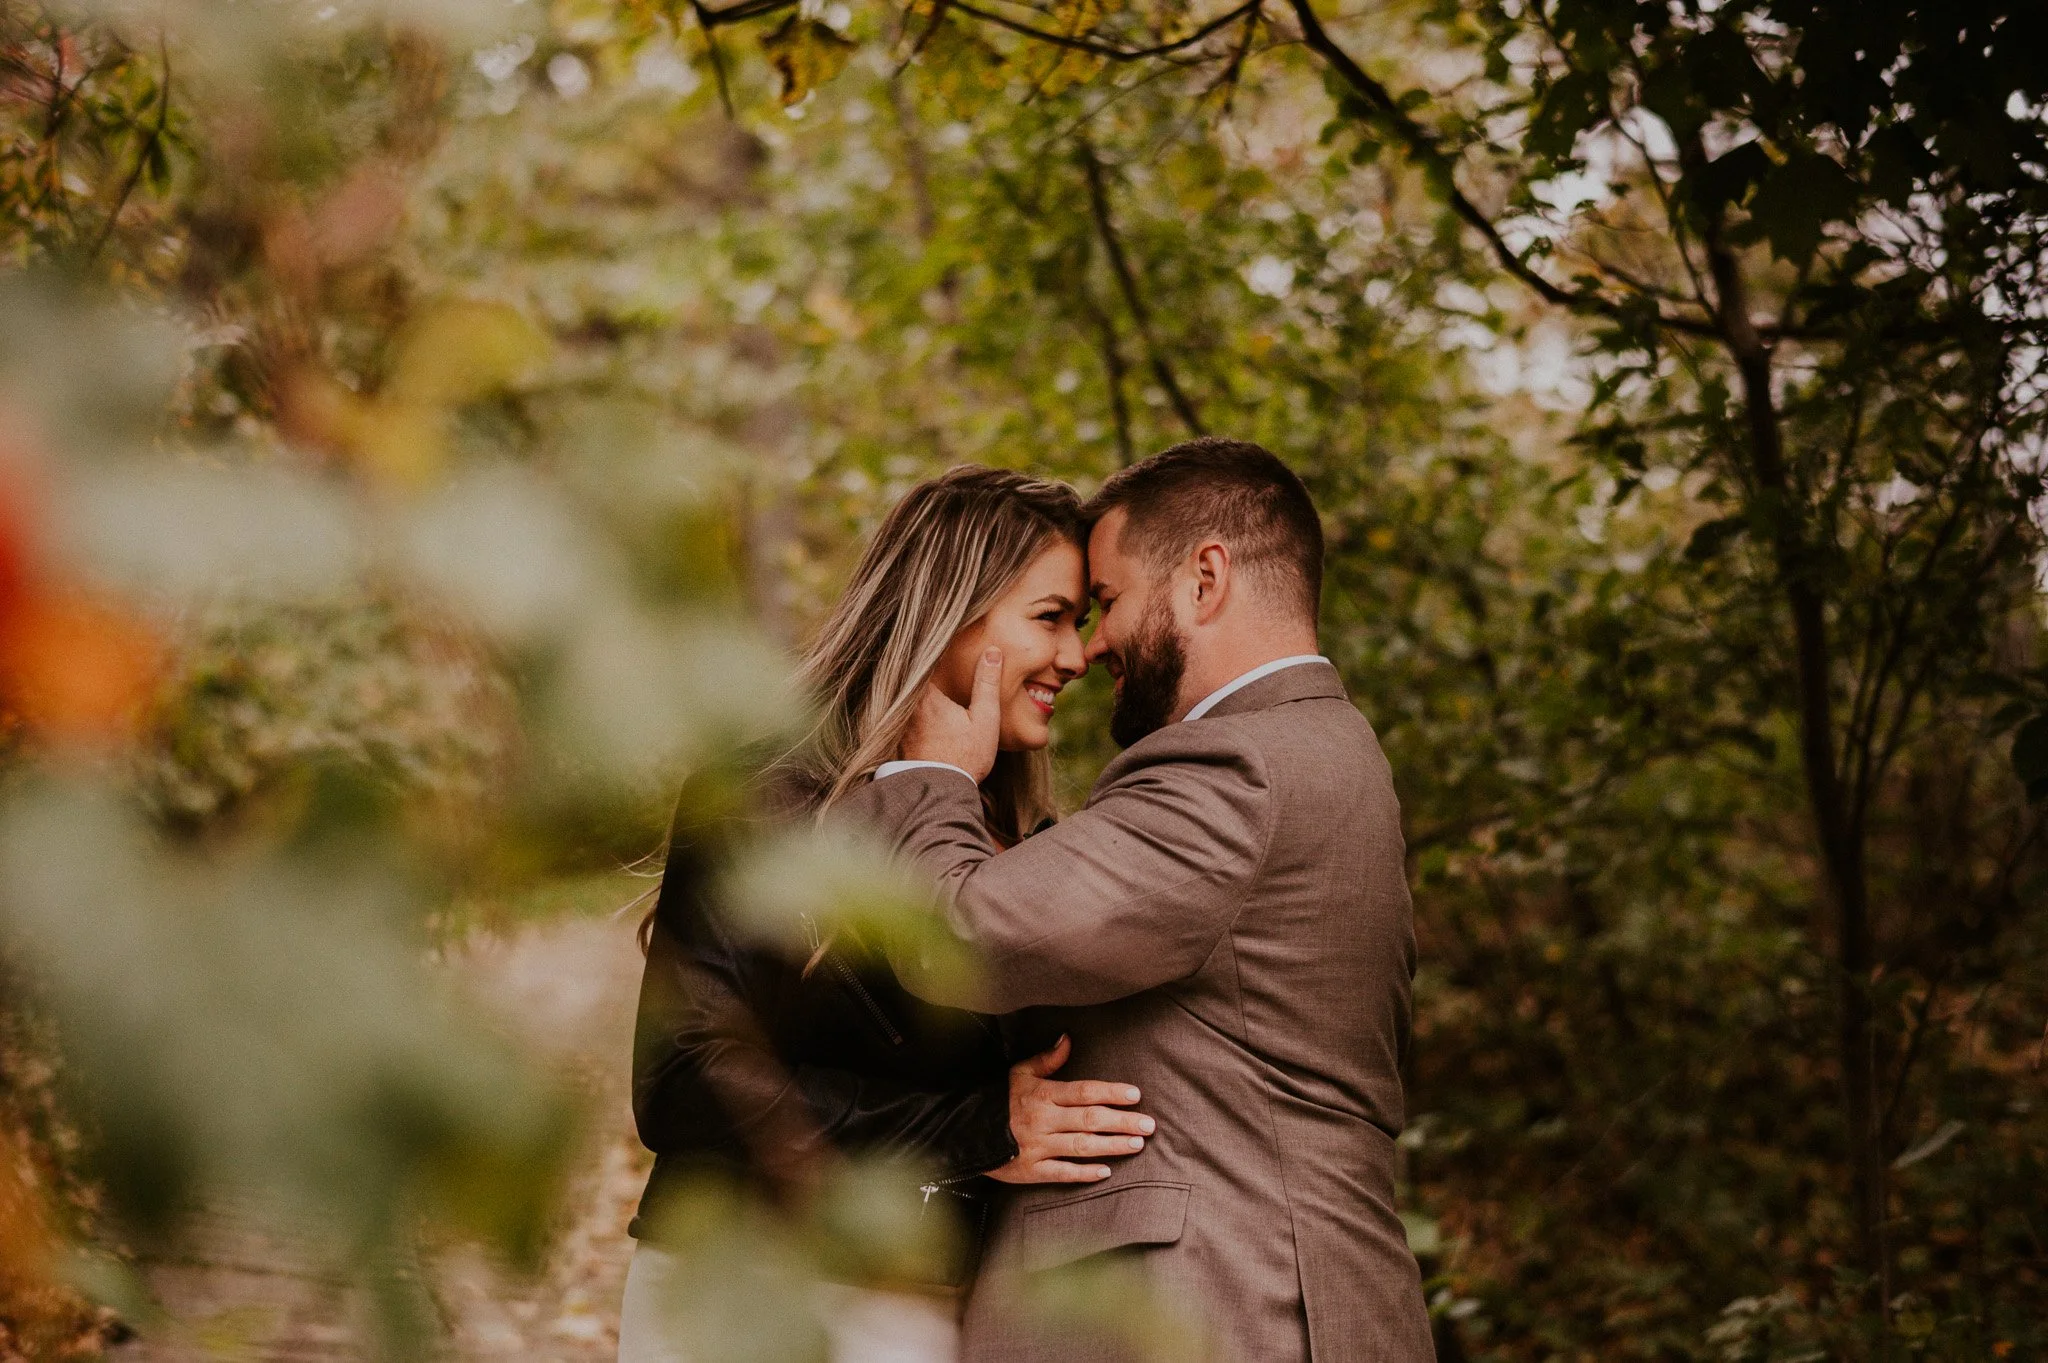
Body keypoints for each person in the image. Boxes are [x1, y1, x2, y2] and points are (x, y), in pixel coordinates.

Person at [844, 438, 1435, 1362]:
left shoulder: (1240, 764)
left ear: (1205, 577)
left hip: (1227, 1310)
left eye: (1107, 602)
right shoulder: (1328, 753)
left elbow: (957, 937)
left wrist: (929, 775)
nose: (1092, 646)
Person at [619, 467, 1157, 1363]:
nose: (1075, 656)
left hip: (932, 1307)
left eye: (1082, 621)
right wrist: (977, 1129)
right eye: (1050, 616)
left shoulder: (1027, 836)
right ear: (955, 612)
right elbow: (683, 1080)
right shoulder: (769, 789)